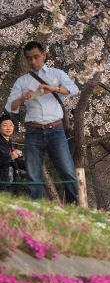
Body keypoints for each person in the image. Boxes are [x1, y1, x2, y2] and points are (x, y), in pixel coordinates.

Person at [5, 41, 79, 203]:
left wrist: (55, 89)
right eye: (29, 58)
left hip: (56, 130)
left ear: (44, 55)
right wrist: (22, 99)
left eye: (36, 57)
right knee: (33, 174)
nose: (33, 61)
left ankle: (75, 207)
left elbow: (73, 90)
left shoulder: (56, 74)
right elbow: (11, 106)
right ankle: (36, 210)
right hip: (33, 131)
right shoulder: (22, 81)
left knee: (67, 171)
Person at [0, 115, 25, 194]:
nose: (8, 128)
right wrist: (10, 157)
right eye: (5, 125)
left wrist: (30, 166)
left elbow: (15, 162)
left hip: (11, 184)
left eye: (11, 125)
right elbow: (8, 159)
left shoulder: (10, 144)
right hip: (2, 185)